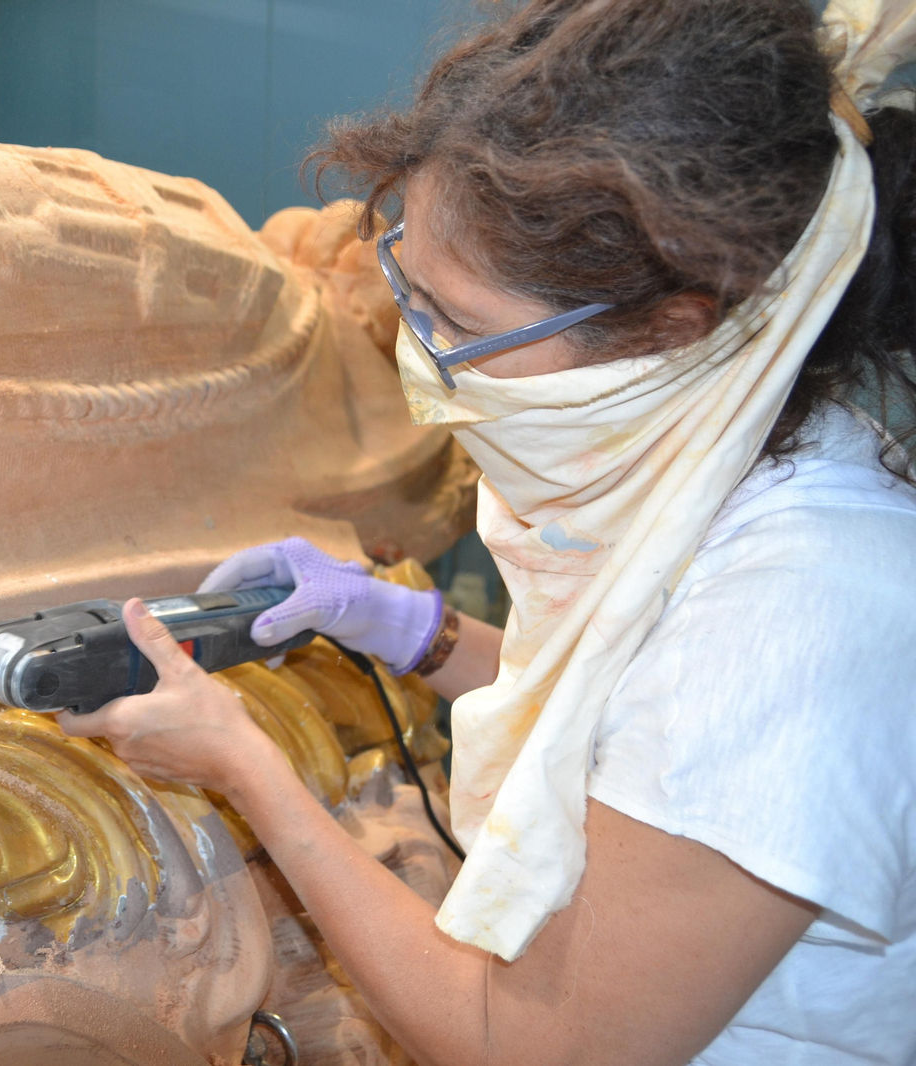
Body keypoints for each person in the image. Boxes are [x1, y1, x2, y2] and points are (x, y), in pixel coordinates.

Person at [57, 1, 916, 1063]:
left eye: (456, 324)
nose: (419, 356)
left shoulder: (802, 611)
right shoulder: (726, 467)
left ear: (673, 329)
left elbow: (522, 1042)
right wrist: (406, 630)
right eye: (406, 287)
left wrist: (250, 773)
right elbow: (633, 727)